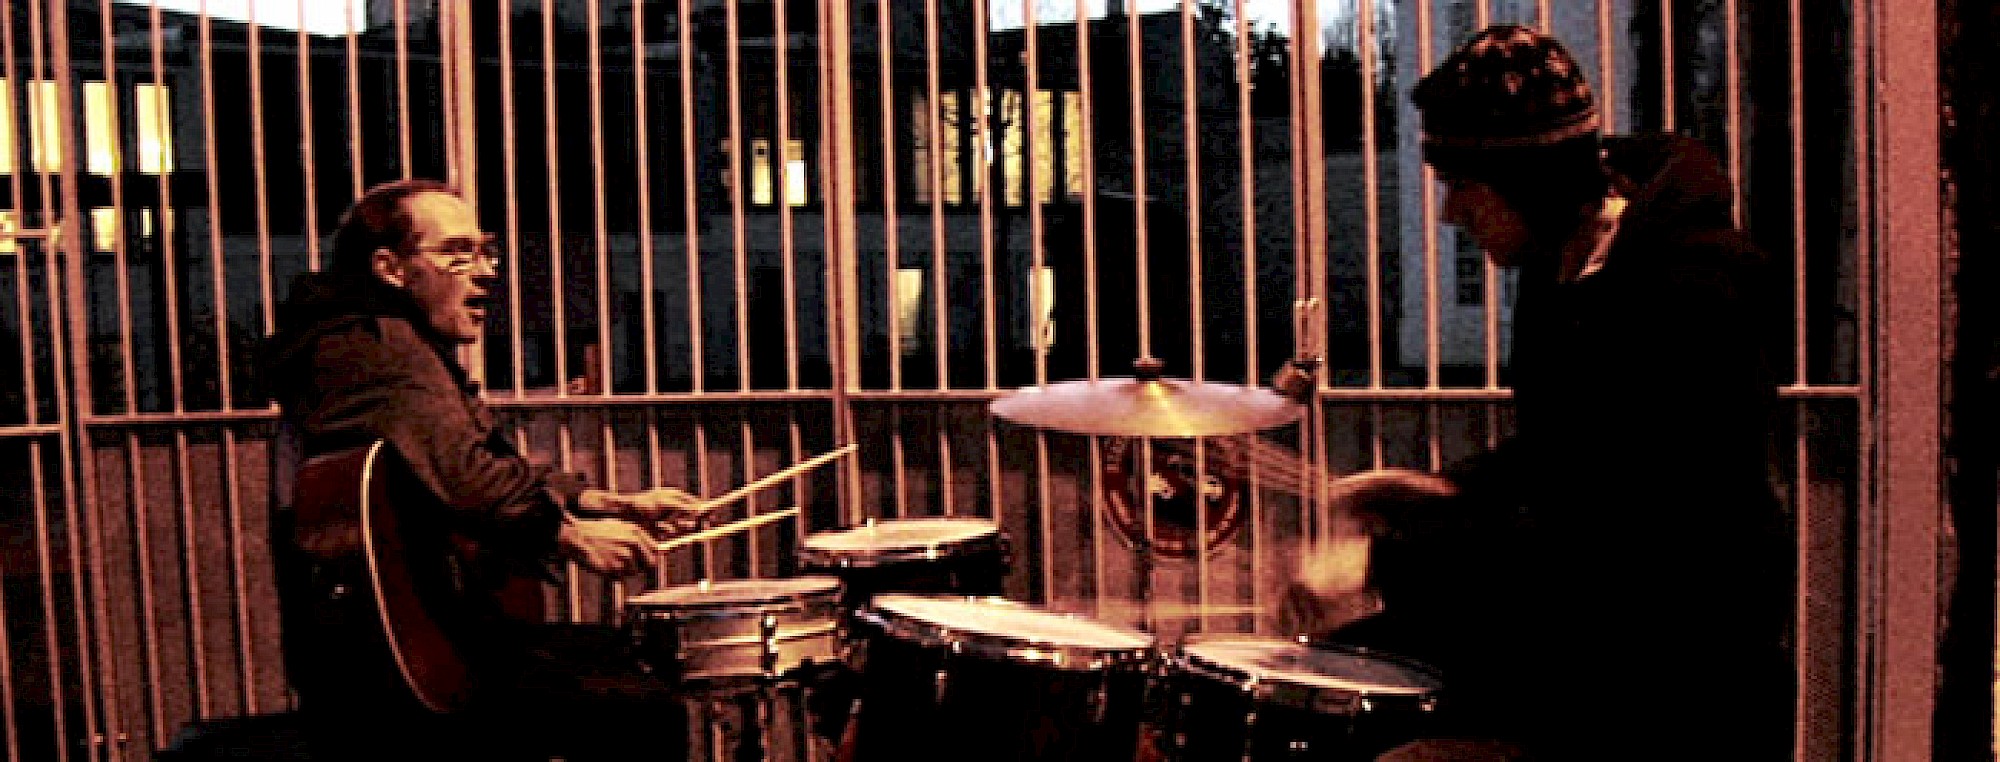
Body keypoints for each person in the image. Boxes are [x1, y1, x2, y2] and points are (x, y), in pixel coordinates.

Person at [1287, 25, 1794, 761]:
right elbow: (1569, 451)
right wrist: (1439, 489)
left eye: (1462, 185)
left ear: (1530, 181)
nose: (1450, 213)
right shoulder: (1562, 262)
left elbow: (1617, 530)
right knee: (1322, 684)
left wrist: (1383, 566)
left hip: (1677, 675)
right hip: (1589, 634)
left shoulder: (1691, 292)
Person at [260, 179, 710, 760]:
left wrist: (612, 503)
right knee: (644, 705)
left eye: (484, 251)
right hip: (397, 676)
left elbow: (480, 463)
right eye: (456, 253)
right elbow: (467, 479)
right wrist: (568, 536)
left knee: (622, 666)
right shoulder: (378, 348)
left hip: (405, 648)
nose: (486, 272)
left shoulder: (370, 340)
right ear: (390, 268)